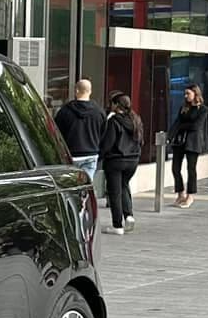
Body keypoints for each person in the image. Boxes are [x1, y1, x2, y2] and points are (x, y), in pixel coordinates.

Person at [100, 92, 144, 234]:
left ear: (116, 105)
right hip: (133, 160)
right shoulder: (136, 119)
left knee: (115, 192)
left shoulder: (114, 121)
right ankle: (129, 215)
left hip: (116, 161)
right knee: (124, 186)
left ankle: (117, 225)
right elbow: (141, 141)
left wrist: (100, 156)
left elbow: (108, 143)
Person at [53, 79, 106, 184]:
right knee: (87, 185)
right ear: (90, 91)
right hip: (91, 154)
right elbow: (104, 135)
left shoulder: (64, 111)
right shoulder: (99, 112)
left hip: (71, 154)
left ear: (76, 91)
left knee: (70, 185)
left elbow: (57, 133)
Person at [168, 85, 208, 207]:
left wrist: (182, 126)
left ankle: (190, 196)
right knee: (175, 168)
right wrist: (169, 136)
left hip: (193, 142)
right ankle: (180, 193)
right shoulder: (184, 108)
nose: (186, 96)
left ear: (195, 94)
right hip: (180, 141)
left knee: (191, 169)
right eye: (185, 94)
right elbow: (177, 122)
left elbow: (196, 126)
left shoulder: (203, 109)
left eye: (188, 93)